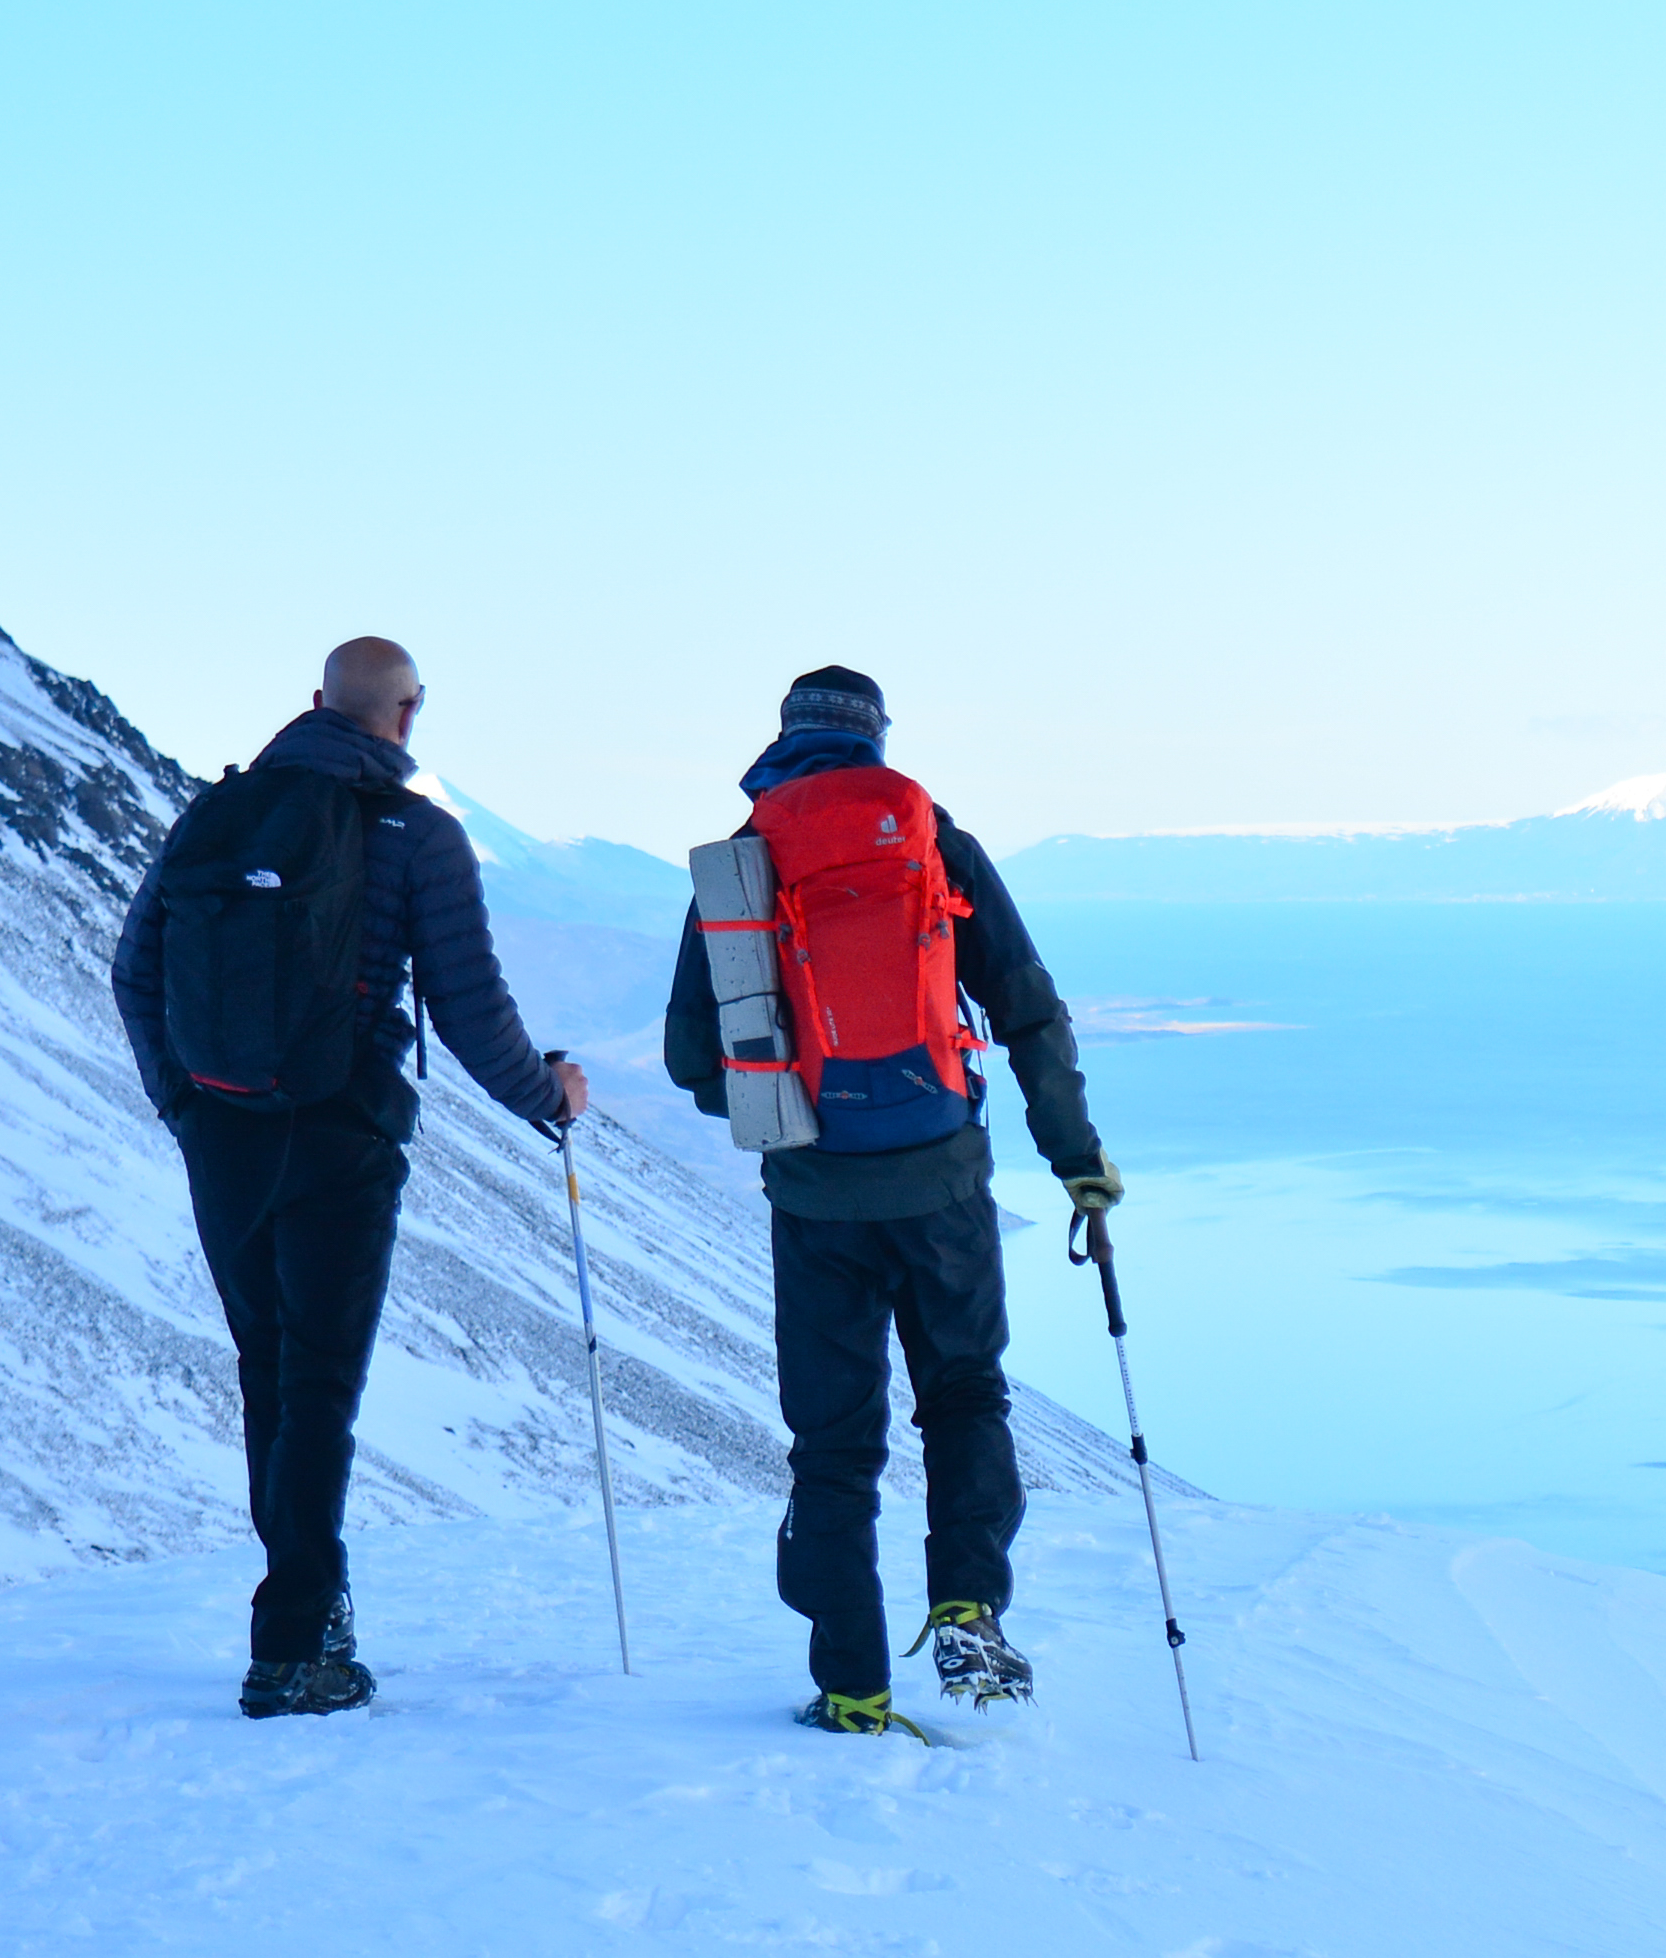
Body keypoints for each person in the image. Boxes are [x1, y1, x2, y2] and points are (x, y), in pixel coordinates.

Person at [114, 636, 588, 1719]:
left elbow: (136, 967)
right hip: (344, 1133)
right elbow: (468, 1008)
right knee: (321, 1390)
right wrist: (546, 1096)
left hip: (226, 1132)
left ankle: (307, 1614)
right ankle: (293, 1651)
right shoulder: (417, 835)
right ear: (409, 713)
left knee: (268, 1377)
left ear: (313, 704)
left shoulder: (217, 816)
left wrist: (182, 1103)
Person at [663, 665, 1115, 1735]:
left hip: (815, 1196)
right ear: (876, 738)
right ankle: (966, 1603)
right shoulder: (931, 841)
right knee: (963, 1397)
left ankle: (852, 1687)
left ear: (781, 739)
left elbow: (690, 1057)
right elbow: (1028, 1011)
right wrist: (1075, 1160)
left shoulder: (739, 865)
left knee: (833, 1445)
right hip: (943, 1182)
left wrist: (784, 1106)